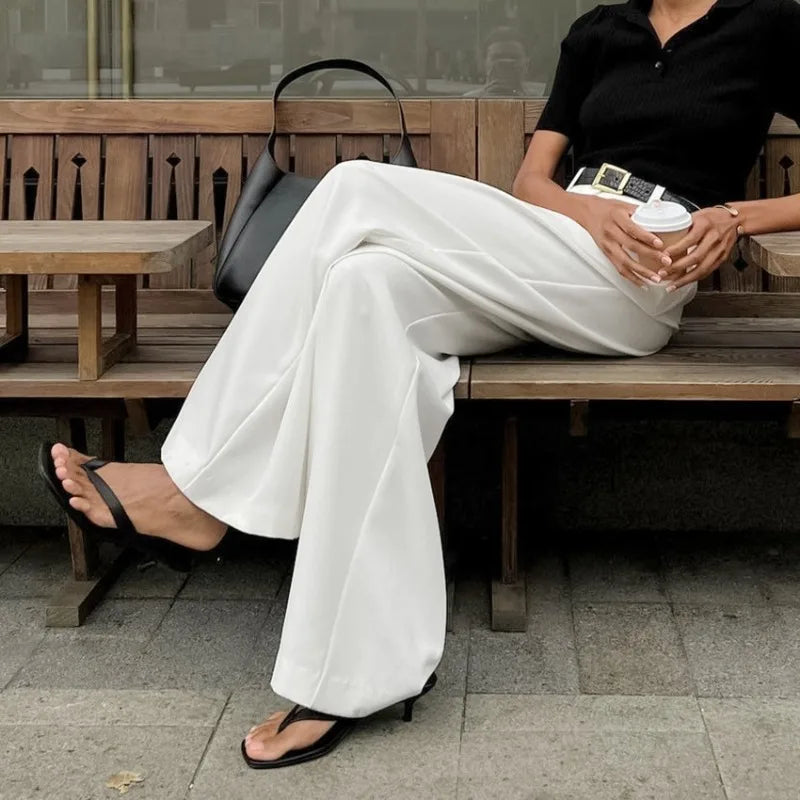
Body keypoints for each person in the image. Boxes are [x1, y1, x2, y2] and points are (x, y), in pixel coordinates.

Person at [41, 0, 800, 770]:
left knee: (354, 189)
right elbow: (533, 179)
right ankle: (350, 674)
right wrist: (582, 211)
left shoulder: (770, 23)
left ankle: (193, 491)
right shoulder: (602, 31)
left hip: (647, 264)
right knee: (364, 289)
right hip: (551, 239)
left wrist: (739, 216)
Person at [462, 27, 529, 97]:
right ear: (484, 63)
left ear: (527, 64)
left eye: (513, 57)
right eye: (497, 57)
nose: (505, 63)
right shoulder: (468, 102)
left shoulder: (538, 101)